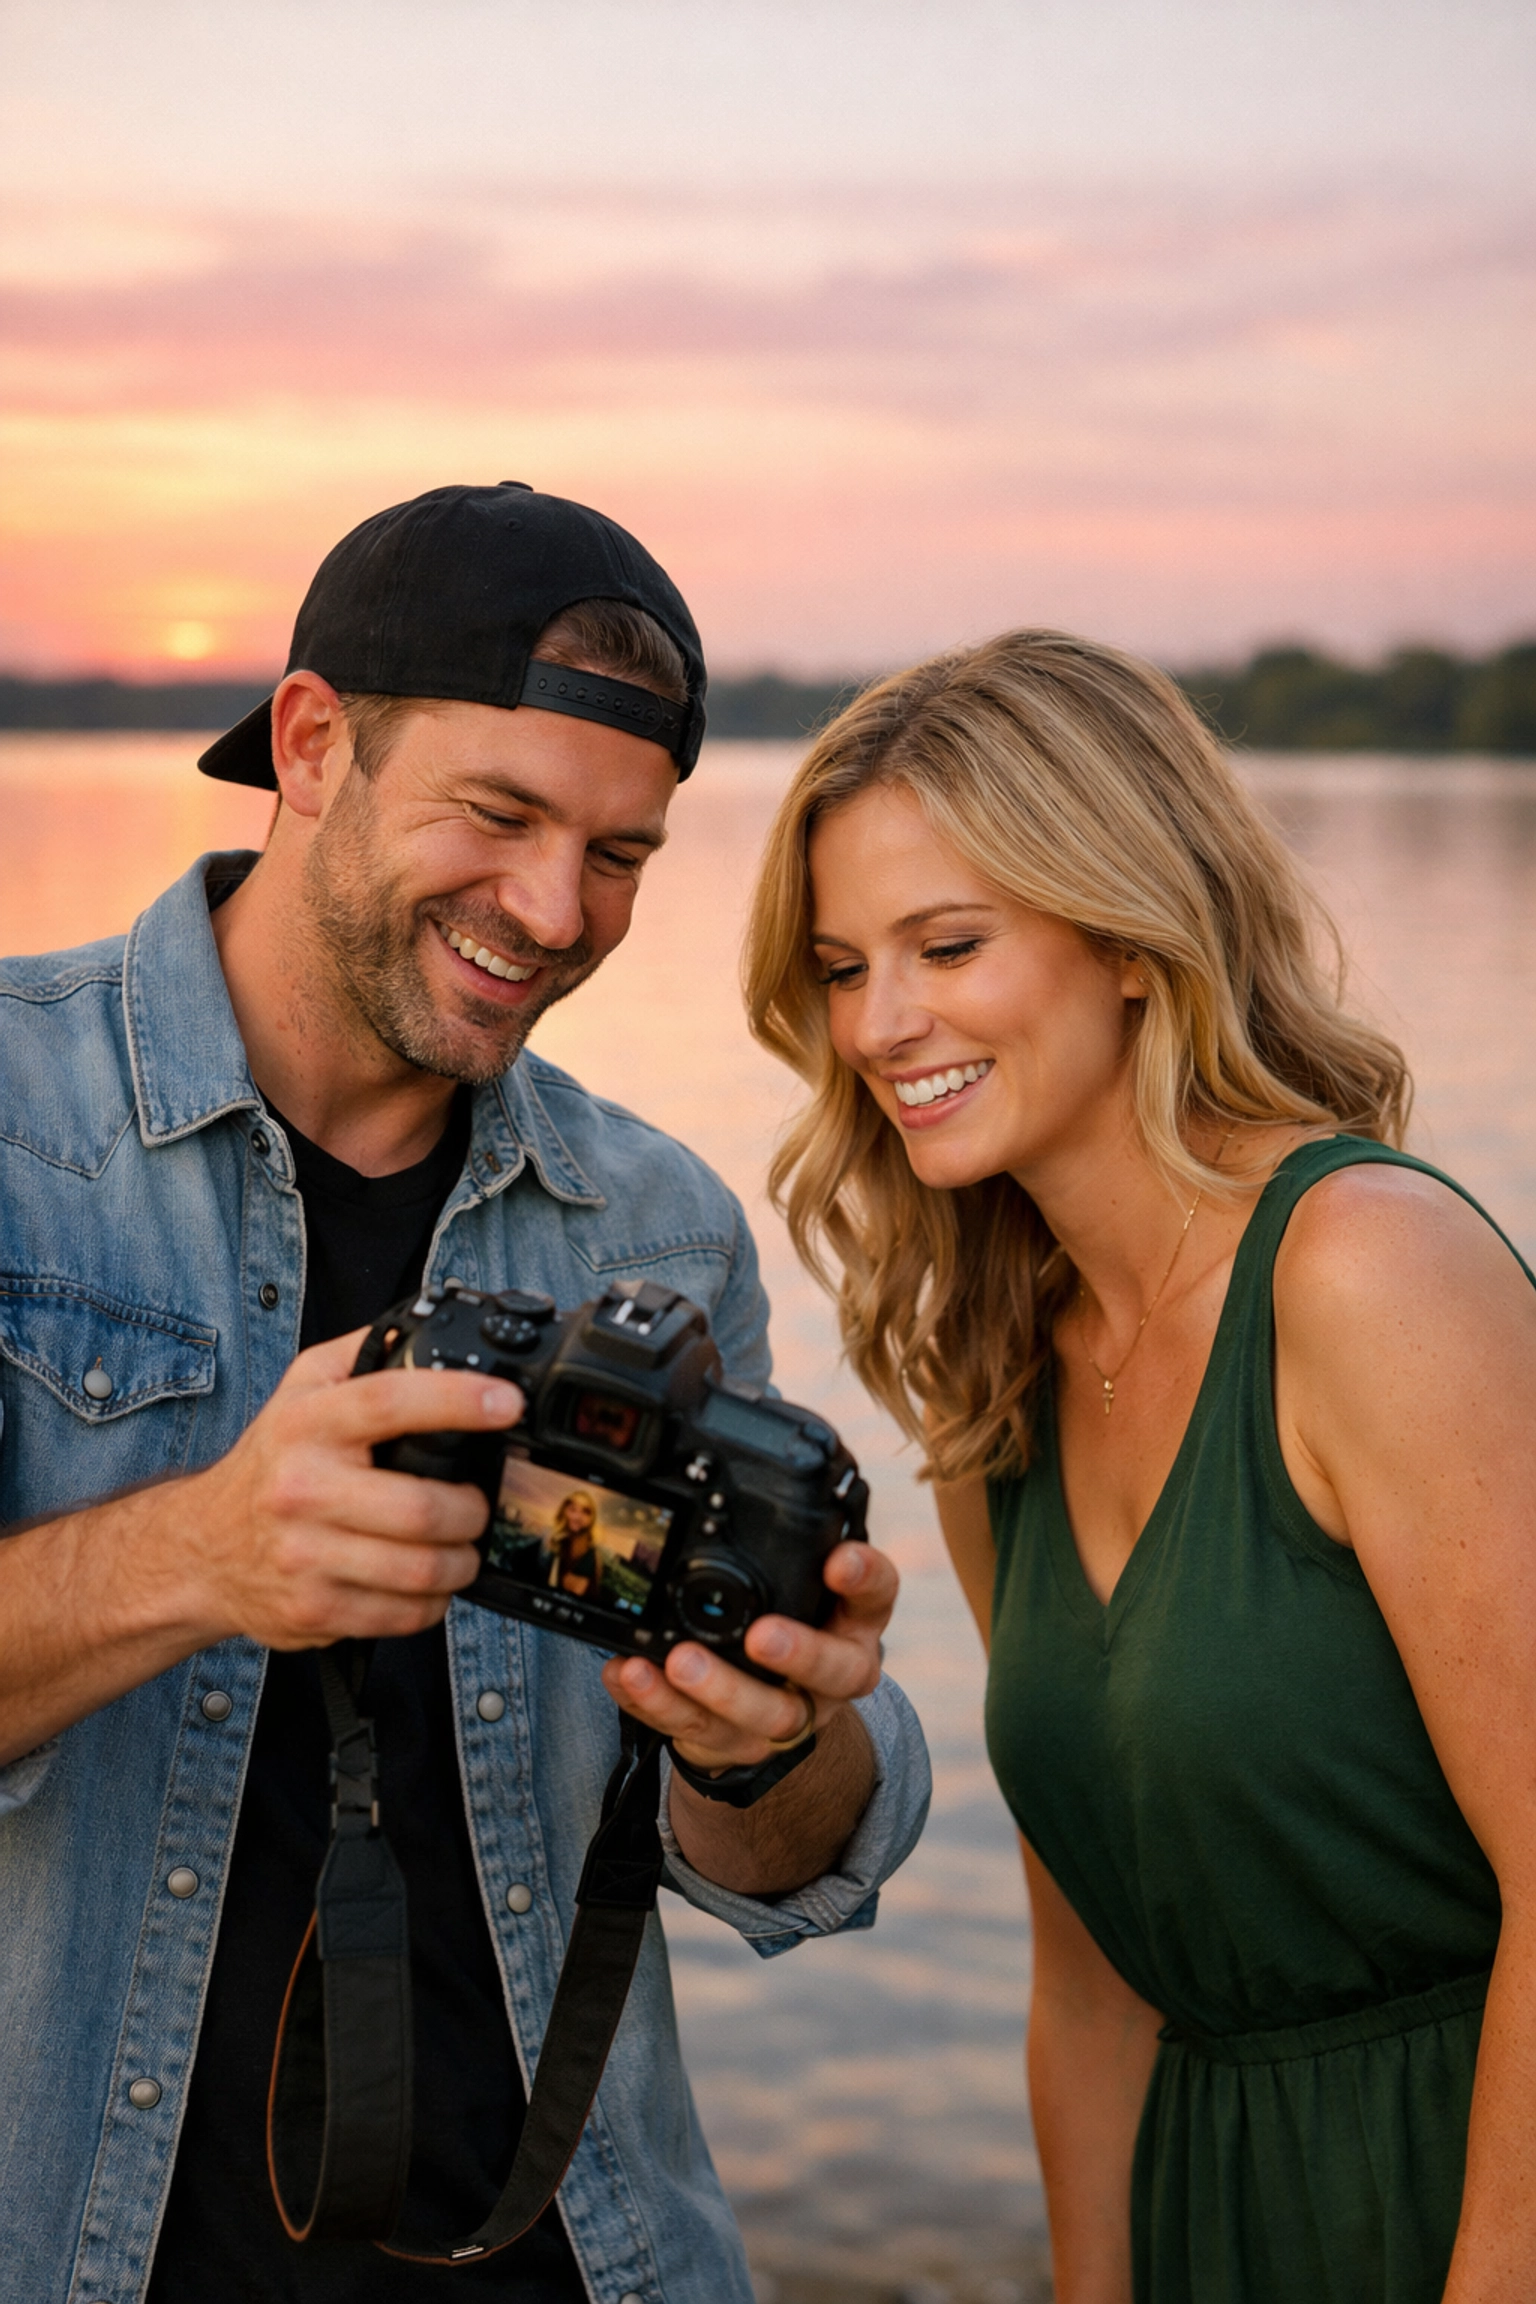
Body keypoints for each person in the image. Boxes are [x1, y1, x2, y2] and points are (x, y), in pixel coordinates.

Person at [0, 483, 930, 2304]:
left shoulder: (656, 1223)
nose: (552, 910)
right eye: (497, 815)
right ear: (312, 741)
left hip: (578, 2253)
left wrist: (768, 1735)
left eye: (622, 854)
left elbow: (756, 1864)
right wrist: (203, 1550)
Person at [742, 627, 1536, 2304]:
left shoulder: (1363, 1267)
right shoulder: (991, 1377)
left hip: (1467, 2191)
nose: (882, 1024)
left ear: (1126, 935)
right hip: (1208, 2215)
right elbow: (1093, 1975)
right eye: (838, 964)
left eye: (945, 943)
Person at [547, 1492, 601, 1598]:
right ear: (564, 1511)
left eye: (585, 1512)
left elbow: (575, 1590)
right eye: (573, 1509)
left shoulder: (589, 1554)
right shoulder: (556, 1541)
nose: (577, 1517)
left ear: (592, 1519)